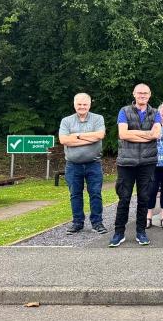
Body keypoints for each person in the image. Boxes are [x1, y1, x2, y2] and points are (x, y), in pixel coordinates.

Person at [110, 83, 161, 247]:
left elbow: (157, 134)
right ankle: (119, 233)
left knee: (144, 198)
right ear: (134, 94)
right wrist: (147, 135)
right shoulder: (124, 111)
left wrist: (134, 134)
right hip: (126, 162)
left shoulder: (156, 113)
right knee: (124, 198)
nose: (142, 95)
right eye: (139, 93)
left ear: (150, 94)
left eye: (145, 93)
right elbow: (123, 134)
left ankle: (141, 232)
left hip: (147, 162)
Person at [58, 93, 107, 235]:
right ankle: (77, 222)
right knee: (75, 194)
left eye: (85, 104)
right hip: (73, 165)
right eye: (79, 104)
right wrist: (89, 138)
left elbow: (99, 136)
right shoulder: (66, 121)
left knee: (96, 194)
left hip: (94, 164)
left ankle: (97, 223)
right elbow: (64, 140)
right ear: (74, 105)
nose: (82, 107)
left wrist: (76, 136)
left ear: (89, 104)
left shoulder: (98, 118)